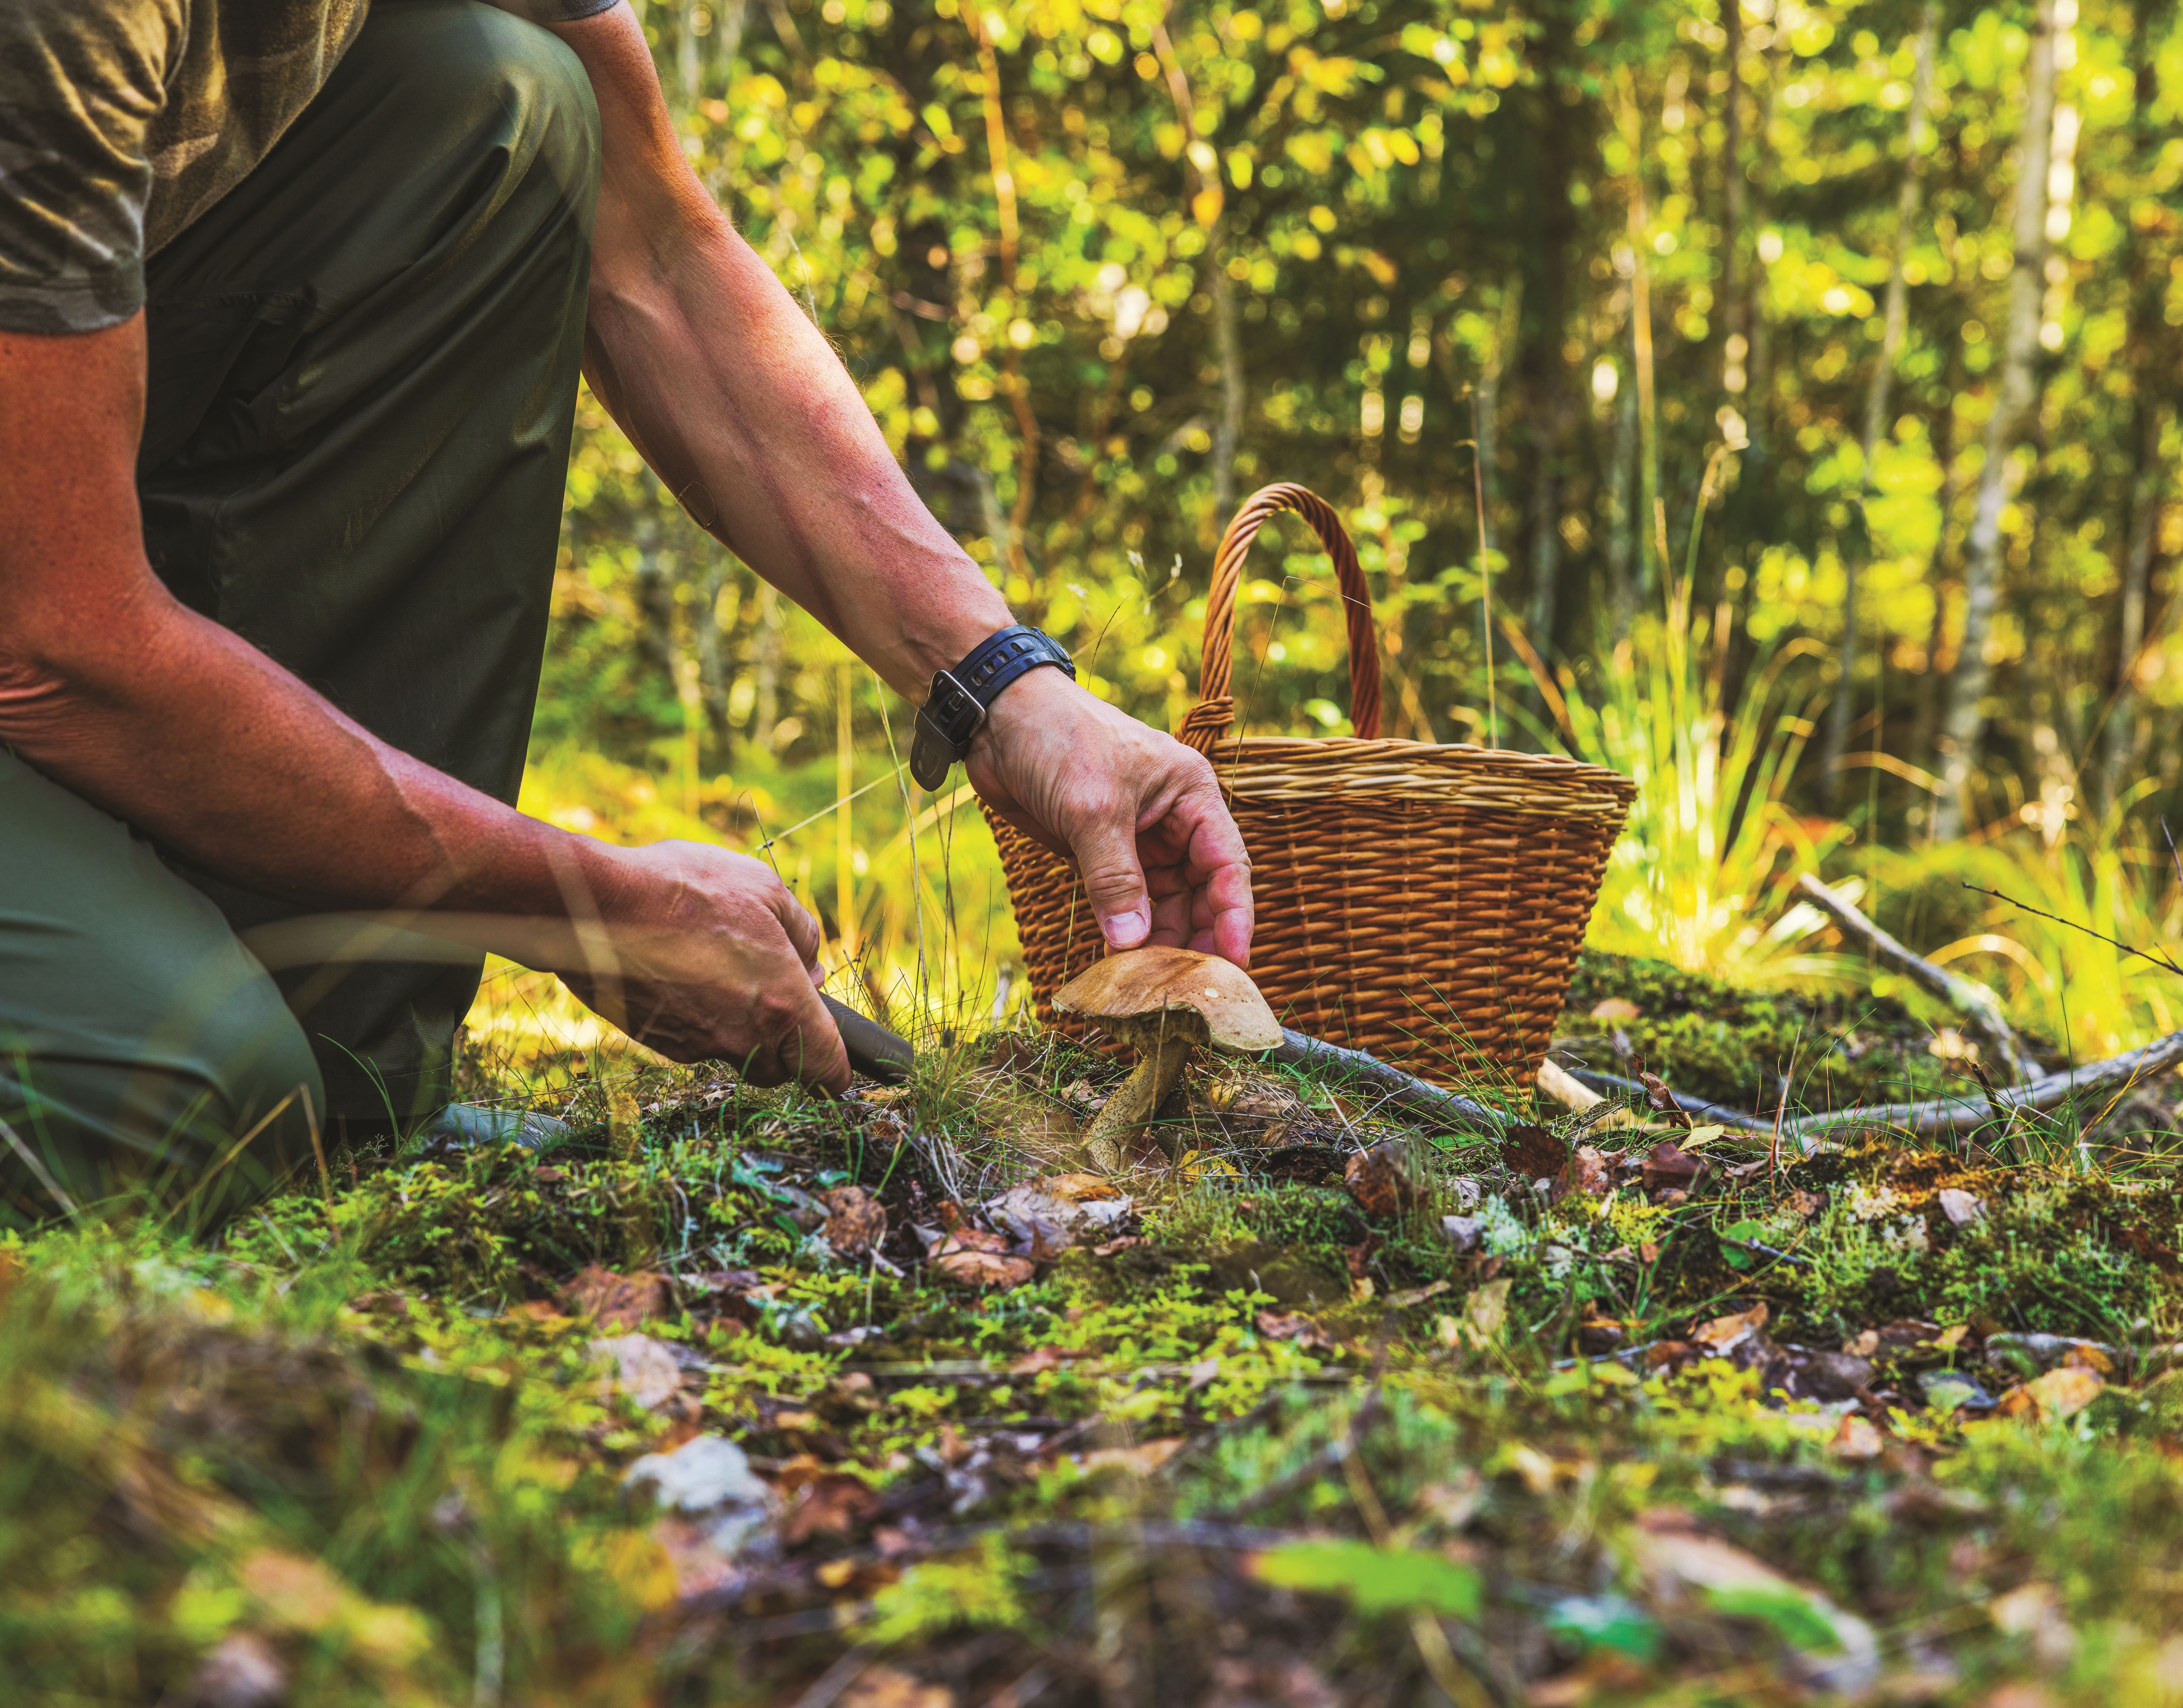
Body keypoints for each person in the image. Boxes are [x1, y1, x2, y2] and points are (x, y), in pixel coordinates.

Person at [0, 0, 1253, 1217]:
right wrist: (597, 915)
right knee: (181, 1102)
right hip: (46, 616)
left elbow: (652, 247)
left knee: (508, 97)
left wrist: (1006, 686)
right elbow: (59, 645)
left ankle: (352, 1080)